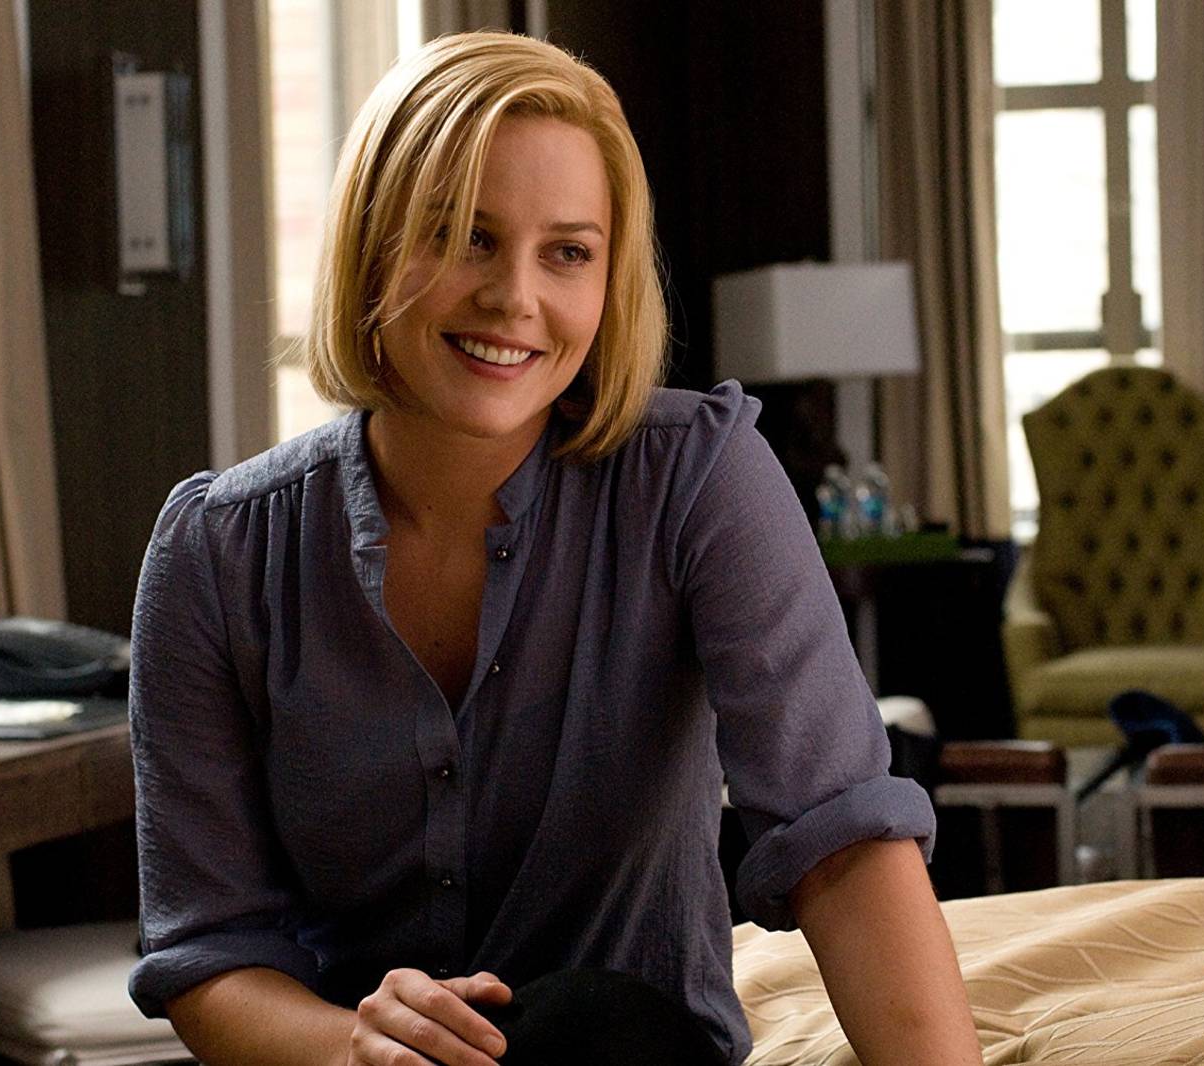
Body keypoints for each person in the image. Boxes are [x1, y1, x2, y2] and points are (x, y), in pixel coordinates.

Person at [127, 30, 983, 1066]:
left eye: (567, 252)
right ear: (372, 246)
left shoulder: (696, 479)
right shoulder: (215, 552)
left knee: (586, 1022)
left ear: (609, 278)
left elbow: (840, 839)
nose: (514, 298)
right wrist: (359, 1043)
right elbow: (210, 954)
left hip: (624, 1049)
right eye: (464, 237)